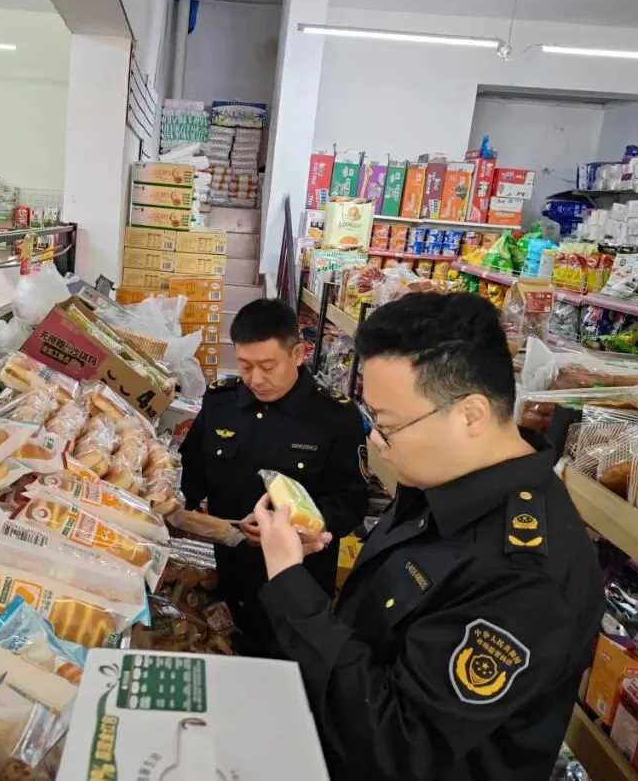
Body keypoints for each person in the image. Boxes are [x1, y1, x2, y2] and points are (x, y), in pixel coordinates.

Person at [252, 292, 604, 781]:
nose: (375, 439)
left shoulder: (524, 576)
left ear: (471, 415)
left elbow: (397, 745)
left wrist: (290, 583)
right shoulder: (440, 479)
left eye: (387, 423)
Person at [180, 297, 368, 657]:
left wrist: (300, 528)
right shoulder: (221, 403)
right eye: (245, 365)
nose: (255, 379)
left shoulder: (334, 418)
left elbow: (351, 500)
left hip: (298, 583)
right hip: (229, 575)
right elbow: (192, 471)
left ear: (297, 354)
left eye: (268, 366)